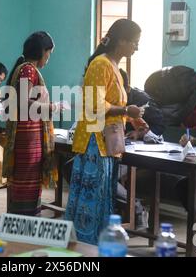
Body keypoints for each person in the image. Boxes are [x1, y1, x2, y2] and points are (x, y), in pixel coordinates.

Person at [65, 18, 145, 245]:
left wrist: (133, 118)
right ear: (121, 41)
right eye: (134, 42)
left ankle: (97, 246)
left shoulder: (115, 69)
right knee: (91, 200)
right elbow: (93, 105)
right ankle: (84, 247)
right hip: (94, 141)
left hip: (107, 141)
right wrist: (125, 109)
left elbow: (111, 105)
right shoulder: (100, 64)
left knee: (102, 199)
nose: (136, 48)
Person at [3, 31, 62, 216]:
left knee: (26, 179)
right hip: (28, 135)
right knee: (27, 180)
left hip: (28, 133)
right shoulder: (28, 69)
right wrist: (50, 107)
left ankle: (23, 220)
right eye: (49, 53)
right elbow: (22, 102)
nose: (49, 58)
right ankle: (25, 221)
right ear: (42, 51)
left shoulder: (24, 68)